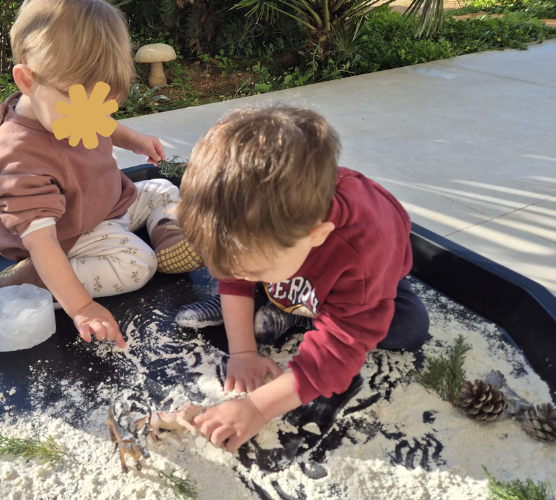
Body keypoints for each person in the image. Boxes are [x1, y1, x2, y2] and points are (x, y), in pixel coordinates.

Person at [175, 106, 430, 451]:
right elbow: (237, 274)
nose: (238, 276)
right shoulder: (256, 228)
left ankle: (289, 310)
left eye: (252, 272)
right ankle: (281, 305)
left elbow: (340, 351)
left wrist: (255, 408)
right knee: (253, 271)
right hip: (291, 271)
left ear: (317, 235)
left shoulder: (366, 245)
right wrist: (243, 351)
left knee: (410, 328)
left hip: (357, 287)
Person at [0, 0, 202, 350]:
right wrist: (82, 307)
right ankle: (35, 279)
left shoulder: (62, 102)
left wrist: (134, 139)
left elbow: (102, 124)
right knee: (137, 266)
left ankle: (168, 235)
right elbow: (42, 241)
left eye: (103, 103)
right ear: (27, 81)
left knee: (160, 187)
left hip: (109, 199)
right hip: (68, 233)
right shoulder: (20, 159)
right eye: (84, 105)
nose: (94, 117)